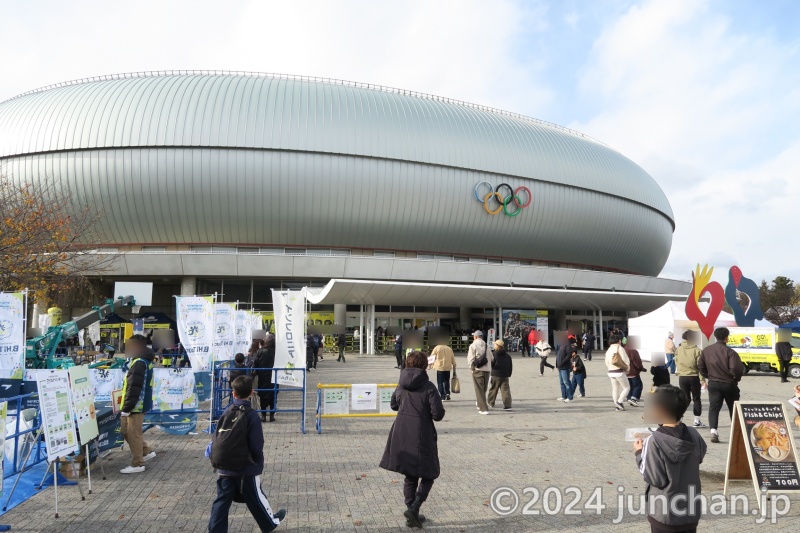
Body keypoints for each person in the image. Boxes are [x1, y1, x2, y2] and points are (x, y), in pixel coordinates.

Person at [208, 376, 287, 532]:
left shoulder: (227, 411)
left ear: (233, 393)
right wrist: (257, 462)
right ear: (251, 392)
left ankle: (216, 530)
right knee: (257, 498)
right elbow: (256, 444)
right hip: (245, 467)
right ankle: (270, 522)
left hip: (224, 467)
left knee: (221, 502)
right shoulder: (251, 415)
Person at [379, 351, 445, 529]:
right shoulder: (429, 386)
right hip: (421, 432)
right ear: (424, 365)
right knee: (430, 472)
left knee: (410, 474)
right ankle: (414, 508)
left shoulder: (402, 383)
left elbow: (393, 404)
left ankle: (412, 512)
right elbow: (438, 414)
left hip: (402, 431)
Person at [633, 385, 707, 533]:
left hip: (664, 513)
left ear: (659, 410)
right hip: (689, 511)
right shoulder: (694, 434)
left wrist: (639, 452)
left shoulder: (653, 442)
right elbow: (700, 456)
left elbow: (654, 478)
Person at [698, 327, 743, 444]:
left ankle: (713, 431)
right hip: (729, 383)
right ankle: (736, 434)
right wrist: (735, 379)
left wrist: (709, 376)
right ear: (727, 338)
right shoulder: (730, 352)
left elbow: (701, 367)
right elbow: (736, 369)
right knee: (733, 408)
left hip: (713, 383)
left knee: (714, 408)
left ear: (715, 337)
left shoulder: (706, 351)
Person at [119, 334, 156, 474]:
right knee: (127, 431)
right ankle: (145, 451)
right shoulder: (144, 361)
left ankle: (138, 464)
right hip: (136, 404)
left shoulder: (139, 363)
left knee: (133, 433)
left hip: (135, 405)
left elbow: (134, 387)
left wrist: (127, 408)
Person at [674, 331, 706, 428]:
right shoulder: (697, 350)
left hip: (682, 377)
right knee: (696, 399)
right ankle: (697, 420)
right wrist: (702, 379)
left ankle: (679, 417)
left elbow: (676, 361)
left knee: (684, 398)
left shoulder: (678, 349)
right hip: (694, 376)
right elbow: (700, 366)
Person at [467, 330, 492, 415]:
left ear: (476, 337)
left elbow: (470, 359)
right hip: (487, 370)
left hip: (478, 369)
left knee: (479, 389)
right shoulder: (487, 345)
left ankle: (483, 408)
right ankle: (479, 403)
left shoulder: (473, 345)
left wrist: (472, 369)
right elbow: (491, 358)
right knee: (484, 389)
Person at [605, 334, 630, 412]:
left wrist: (609, 367)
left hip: (611, 371)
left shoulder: (609, 349)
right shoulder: (620, 348)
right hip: (619, 371)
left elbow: (606, 361)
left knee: (615, 389)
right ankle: (619, 402)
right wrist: (627, 368)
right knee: (627, 387)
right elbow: (625, 359)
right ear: (619, 341)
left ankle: (617, 405)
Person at [254, 337, 277, 422]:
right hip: (274, 374)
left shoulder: (260, 351)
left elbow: (256, 362)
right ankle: (272, 416)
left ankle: (263, 415)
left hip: (263, 375)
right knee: (273, 395)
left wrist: (255, 370)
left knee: (263, 396)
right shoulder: (276, 351)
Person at [487, 340, 512, 410]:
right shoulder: (507, 356)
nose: (494, 345)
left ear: (497, 346)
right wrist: (509, 374)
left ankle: (490, 402)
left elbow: (491, 364)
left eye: (495, 344)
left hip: (496, 374)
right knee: (506, 390)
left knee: (493, 389)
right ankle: (507, 405)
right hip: (505, 375)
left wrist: (490, 372)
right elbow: (510, 366)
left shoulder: (494, 354)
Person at [625, 341, 646, 407]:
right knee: (638, 385)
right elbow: (637, 362)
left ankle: (629, 397)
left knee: (629, 386)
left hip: (624, 371)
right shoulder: (633, 351)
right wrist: (641, 368)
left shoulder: (623, 349)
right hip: (632, 371)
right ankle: (634, 398)